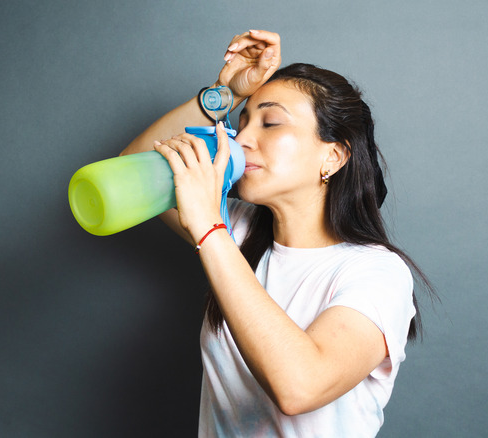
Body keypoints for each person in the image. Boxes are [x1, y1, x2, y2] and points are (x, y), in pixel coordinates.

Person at [120, 30, 432, 437]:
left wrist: (209, 229)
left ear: (333, 157)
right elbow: (135, 168)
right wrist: (221, 95)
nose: (241, 138)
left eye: (271, 123)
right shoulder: (242, 234)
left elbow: (299, 386)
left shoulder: (378, 273)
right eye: (243, 121)